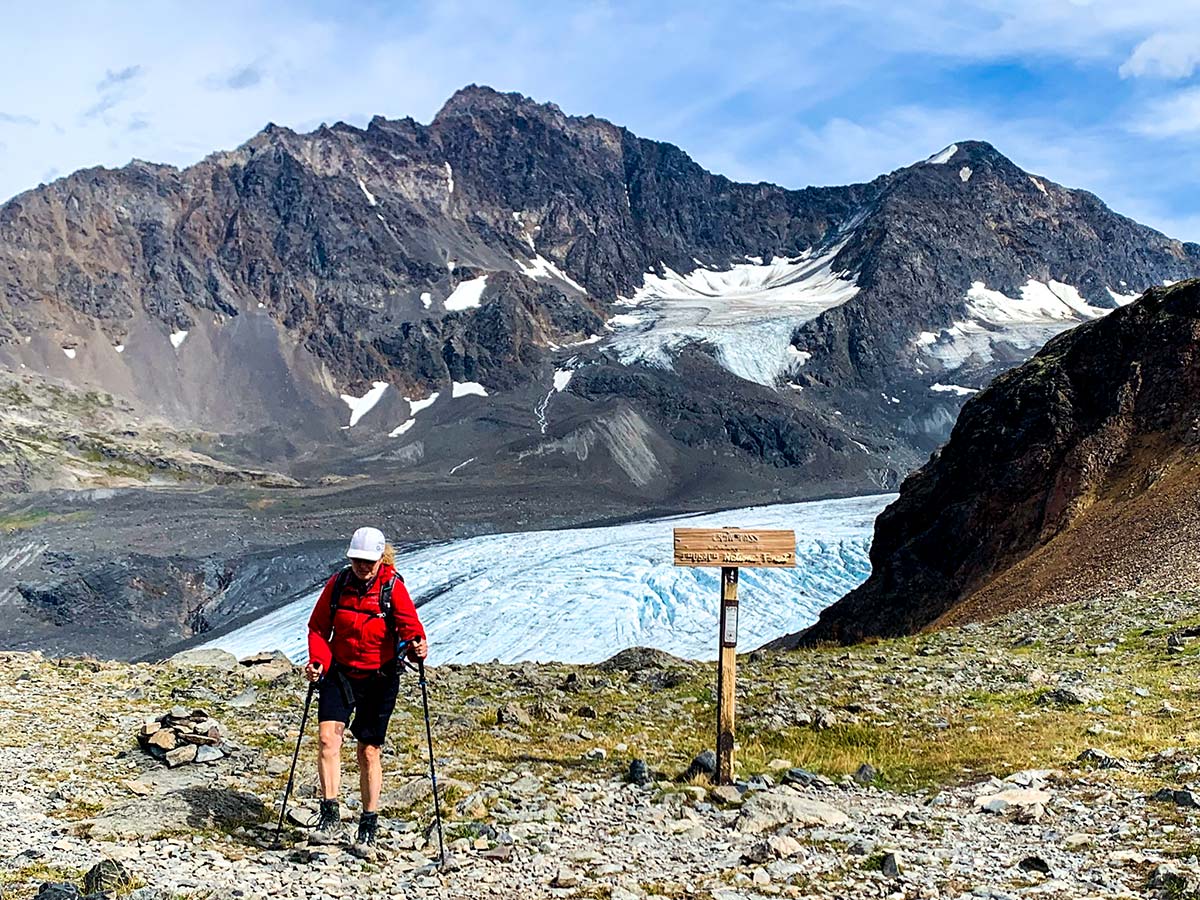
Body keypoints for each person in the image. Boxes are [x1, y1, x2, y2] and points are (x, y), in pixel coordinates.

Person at [304, 526, 428, 856]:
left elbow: (411, 628)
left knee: (368, 751)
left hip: (380, 677)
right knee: (328, 739)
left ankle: (368, 824)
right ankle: (330, 817)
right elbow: (318, 628)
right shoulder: (339, 584)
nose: (362, 566)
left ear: (379, 559)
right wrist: (318, 659)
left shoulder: (392, 588)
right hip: (340, 671)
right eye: (357, 560)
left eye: (368, 561)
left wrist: (418, 646)